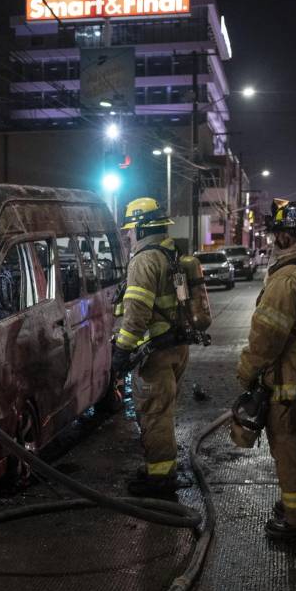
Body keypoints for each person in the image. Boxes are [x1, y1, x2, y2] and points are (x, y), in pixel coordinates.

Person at [236, 200, 296, 540]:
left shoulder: (287, 279)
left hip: (293, 384)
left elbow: (265, 338)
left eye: (275, 234)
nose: (271, 241)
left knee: (290, 447)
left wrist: (246, 372)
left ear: (284, 238)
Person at [112, 197, 207, 497]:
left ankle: (160, 480)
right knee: (163, 412)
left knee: (154, 415)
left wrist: (121, 351)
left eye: (129, 230)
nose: (127, 236)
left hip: (154, 354)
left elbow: (137, 313)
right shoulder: (171, 253)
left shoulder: (144, 260)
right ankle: (161, 469)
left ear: (140, 229)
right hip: (176, 348)